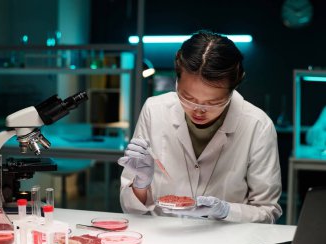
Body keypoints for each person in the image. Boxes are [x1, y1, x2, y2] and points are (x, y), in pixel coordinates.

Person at [118, 30, 282, 224]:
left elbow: (268, 211)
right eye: (187, 98)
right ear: (177, 81)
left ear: (233, 89)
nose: (198, 111)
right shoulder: (155, 110)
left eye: (213, 103)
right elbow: (130, 209)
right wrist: (140, 183)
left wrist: (225, 211)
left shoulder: (257, 125)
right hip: (163, 238)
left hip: (227, 241)